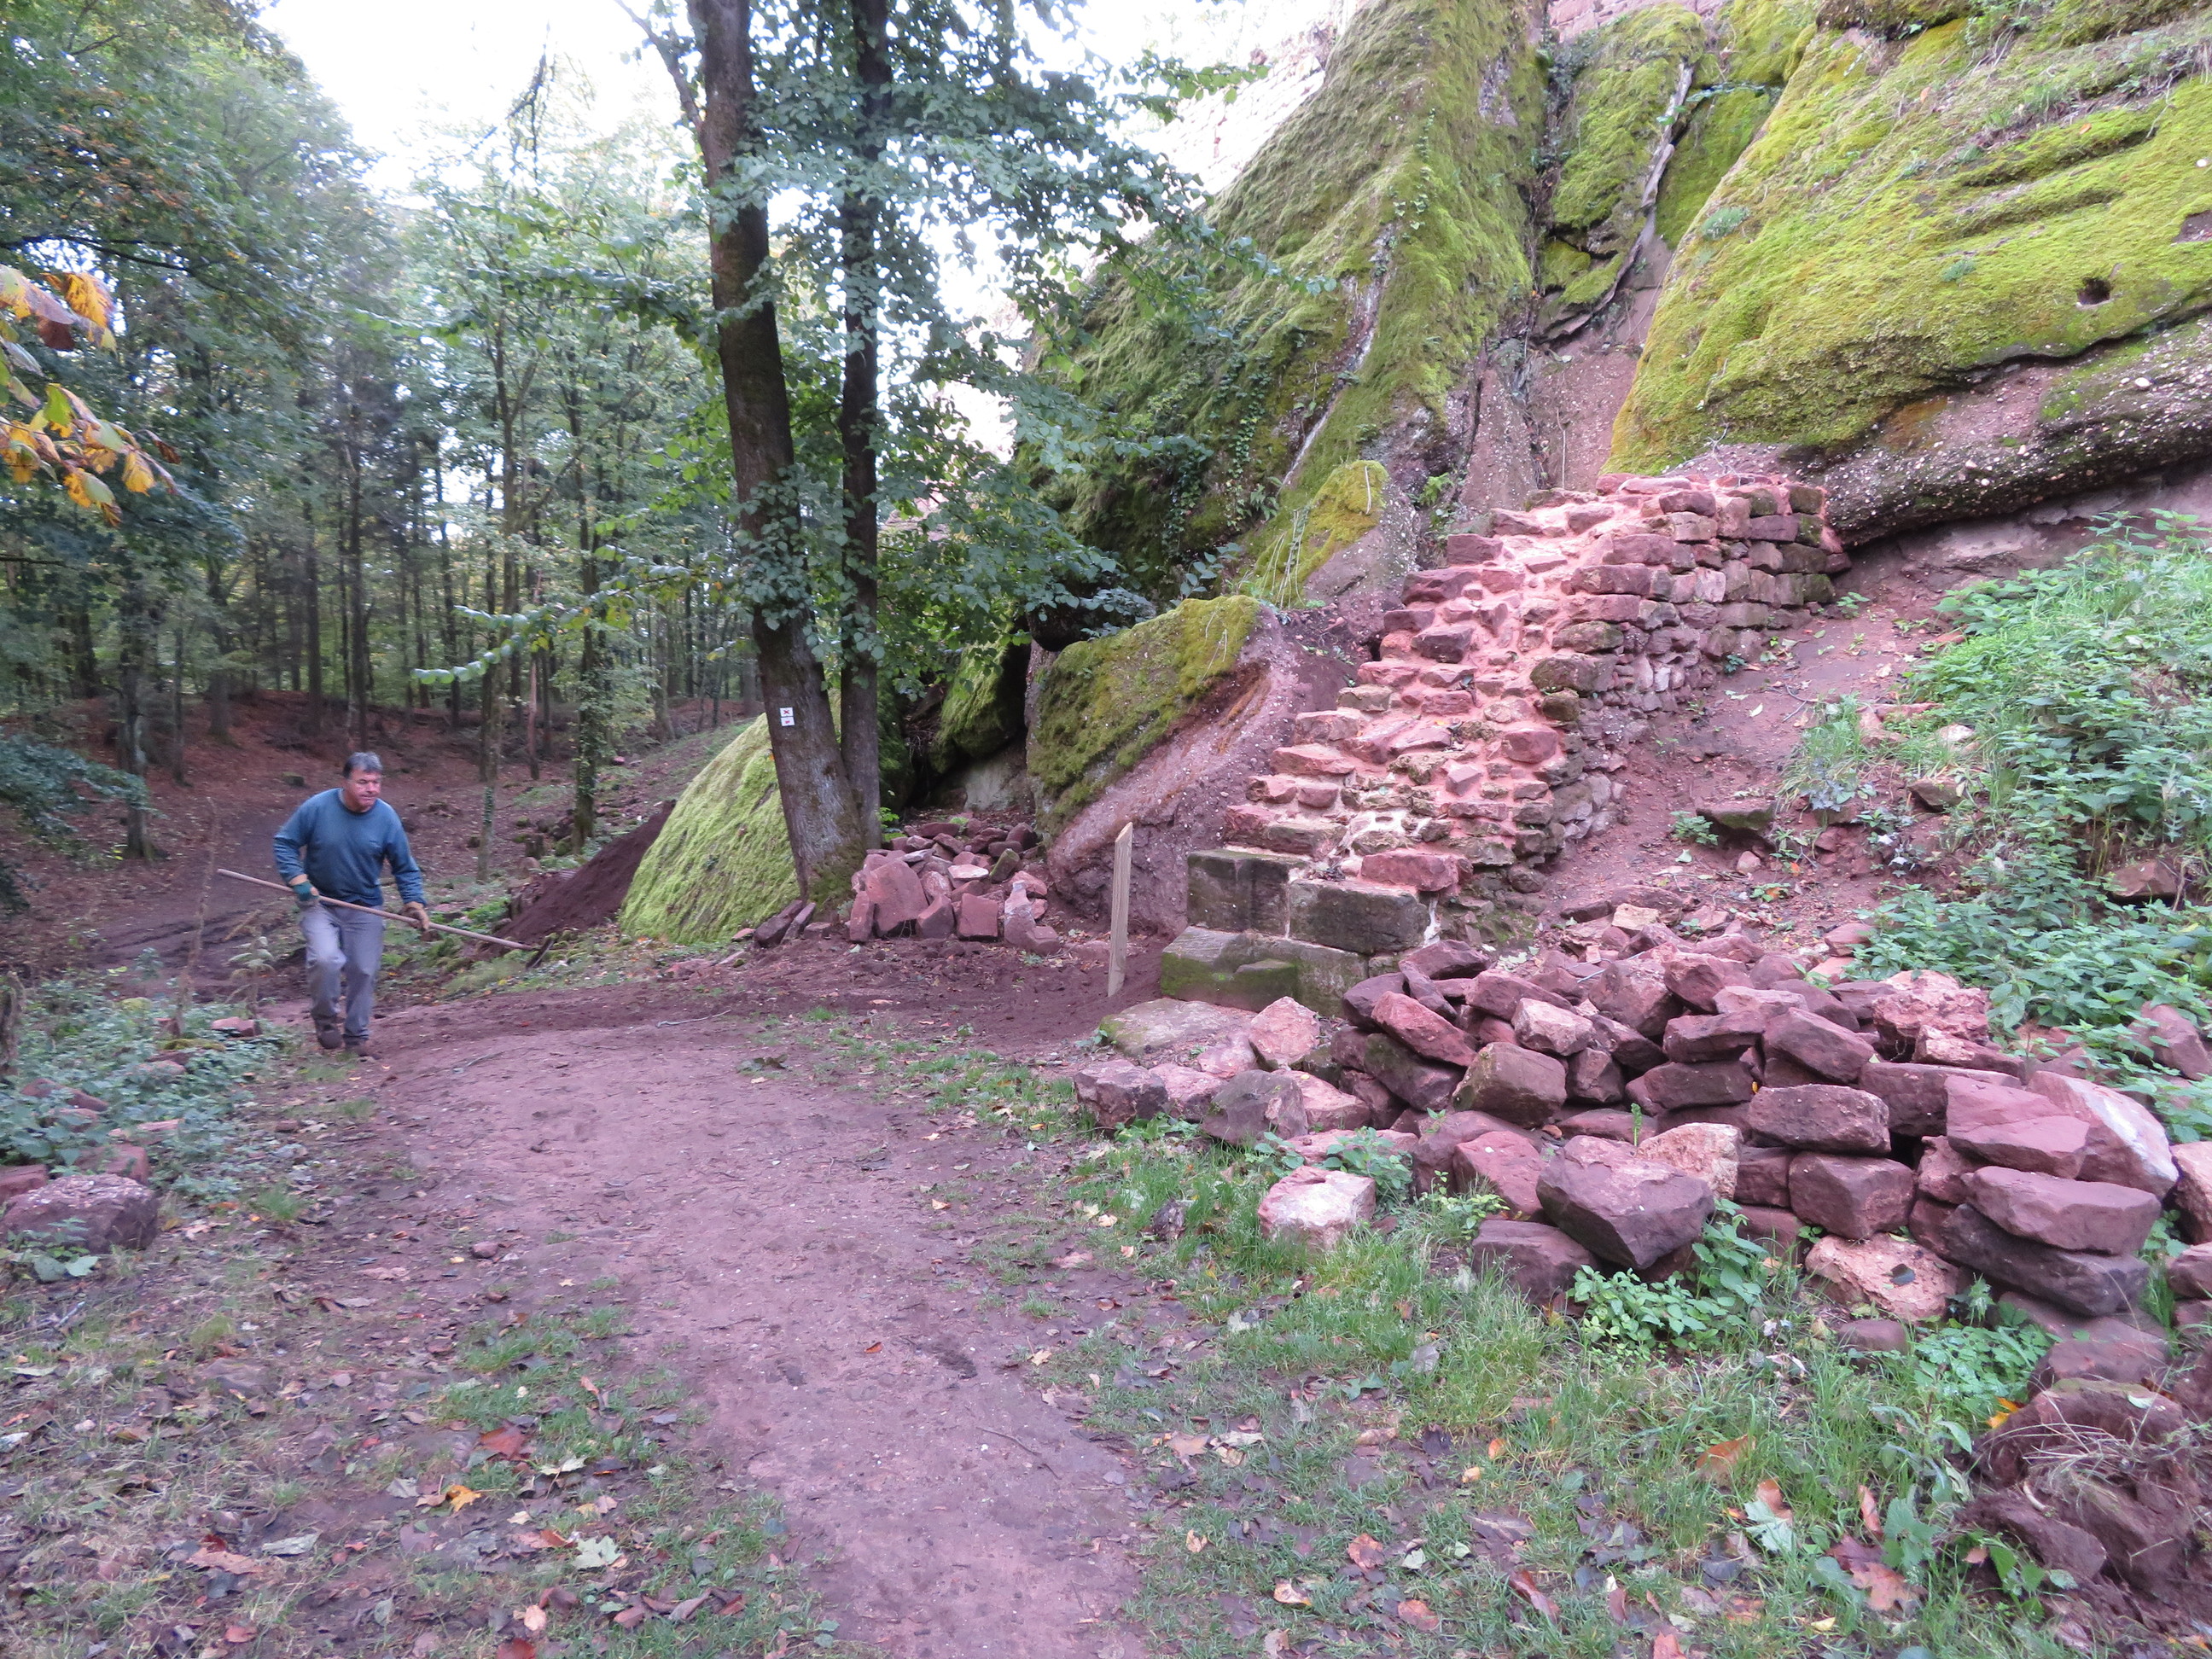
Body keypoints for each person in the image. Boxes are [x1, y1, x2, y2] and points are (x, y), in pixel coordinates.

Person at [273, 752, 431, 1055]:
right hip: (319, 902)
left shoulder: (386, 817)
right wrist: (297, 879)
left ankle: (357, 1038)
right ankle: (325, 1020)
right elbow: (285, 843)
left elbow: (404, 866)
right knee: (326, 960)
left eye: (376, 782)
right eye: (363, 782)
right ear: (345, 782)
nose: (371, 789)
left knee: (363, 970)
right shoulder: (318, 808)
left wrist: (414, 902)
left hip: (365, 905)